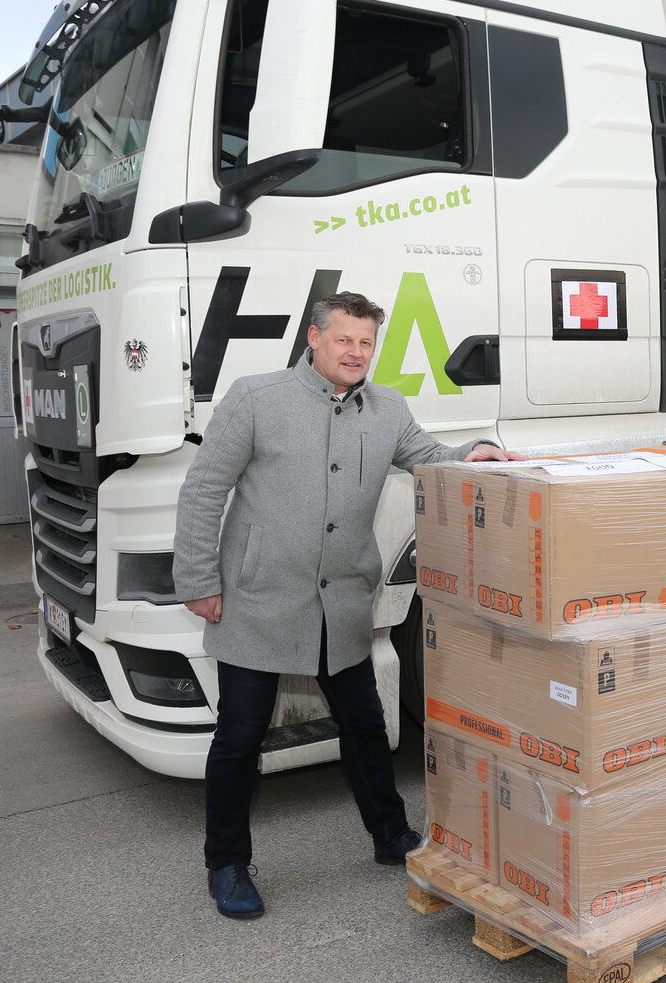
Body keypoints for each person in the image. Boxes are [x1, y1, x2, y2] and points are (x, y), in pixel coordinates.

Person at [173, 291, 522, 920]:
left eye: (366, 342)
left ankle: (390, 836)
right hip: (259, 598)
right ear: (315, 338)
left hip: (342, 605)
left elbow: (432, 459)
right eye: (344, 340)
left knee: (365, 727)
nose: (356, 352)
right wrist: (199, 580)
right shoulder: (257, 398)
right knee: (240, 737)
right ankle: (225, 863)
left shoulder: (387, 408)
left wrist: (475, 452)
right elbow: (203, 491)